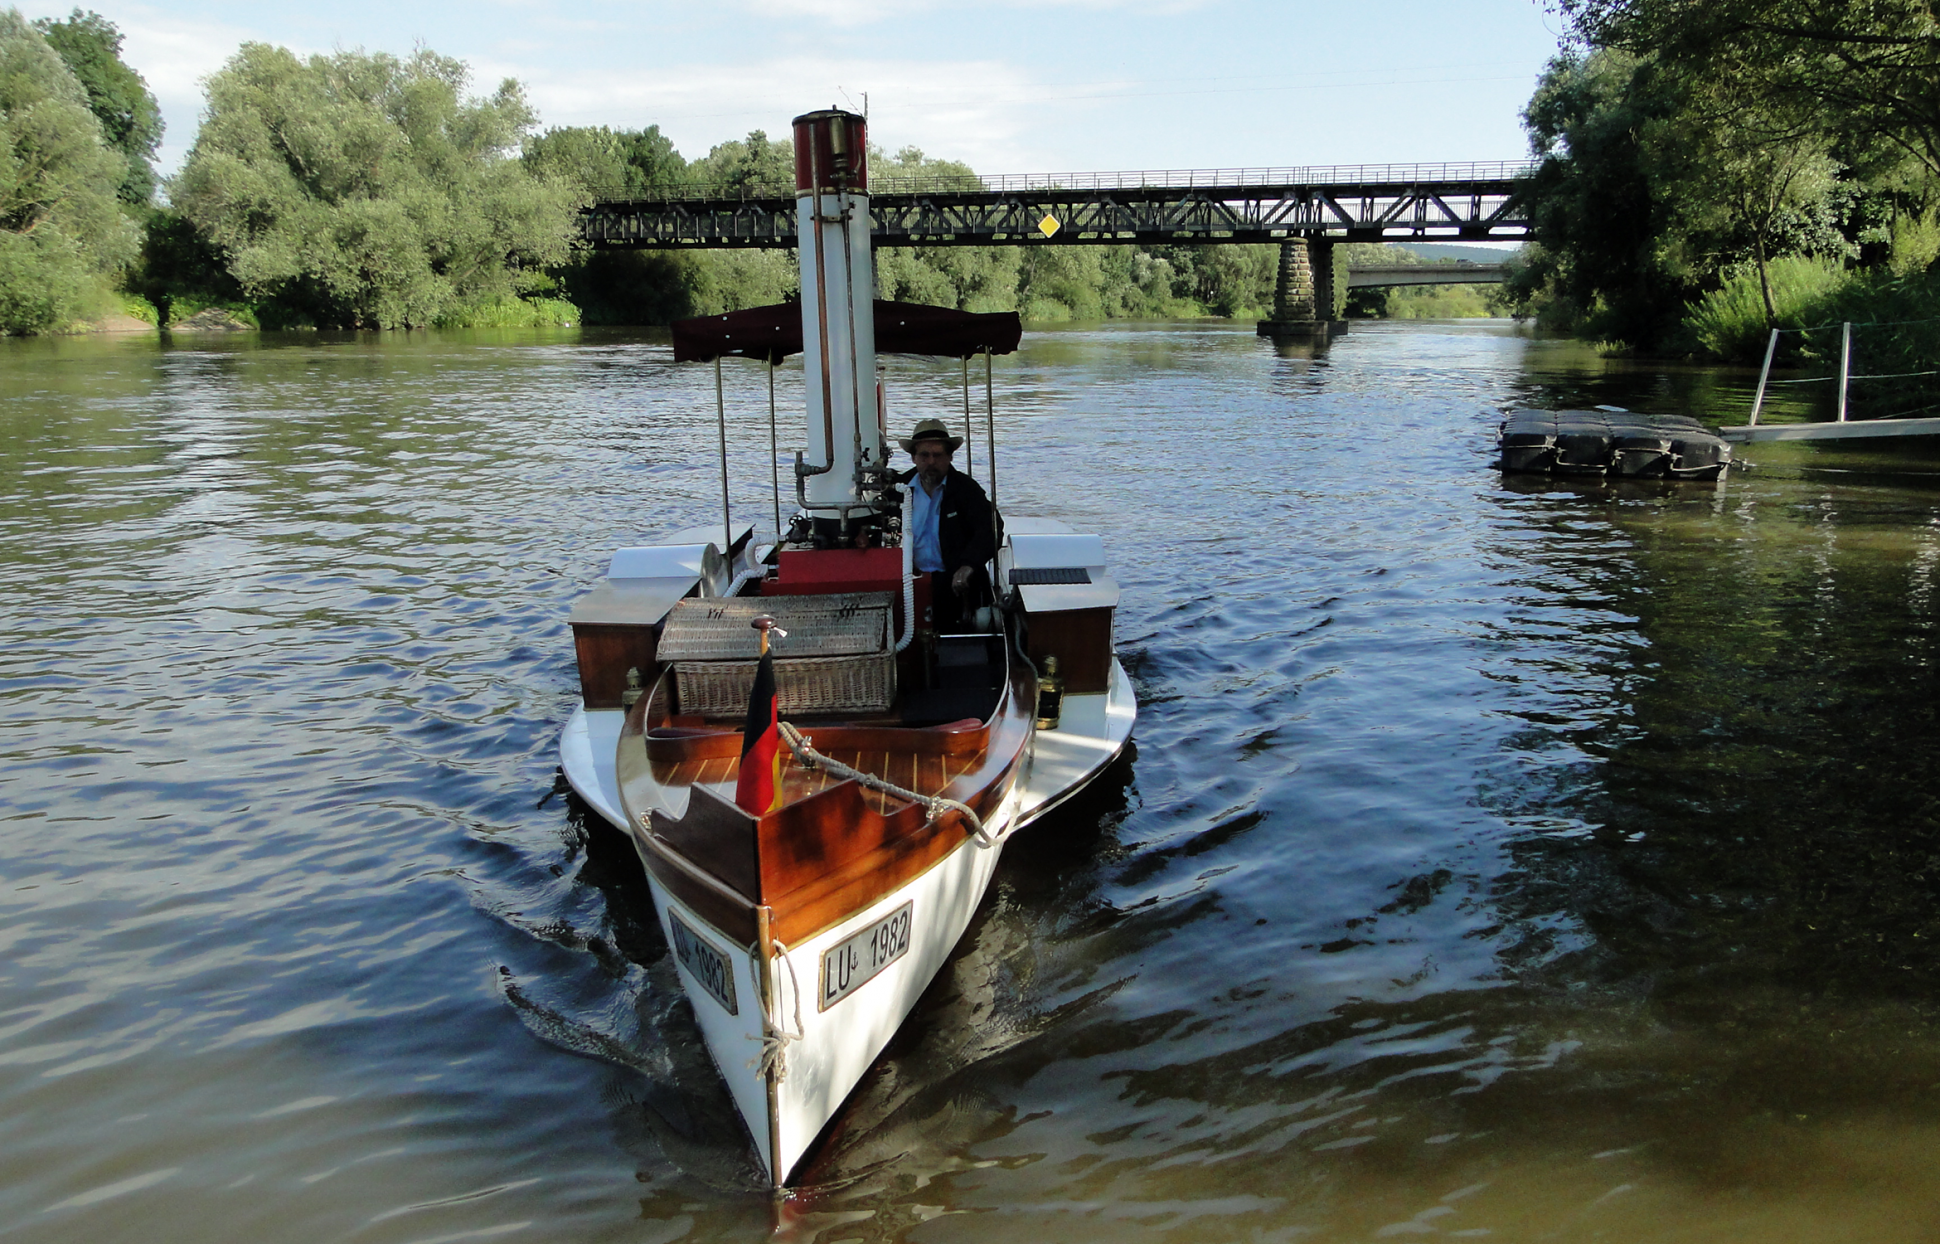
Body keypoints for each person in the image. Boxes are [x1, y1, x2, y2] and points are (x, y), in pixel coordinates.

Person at [897, 418, 1000, 629]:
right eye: (925, 455)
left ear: (950, 456)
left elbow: (991, 529)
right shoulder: (897, 489)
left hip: (953, 584)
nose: (931, 462)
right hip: (908, 583)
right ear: (913, 457)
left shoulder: (966, 490)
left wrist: (968, 566)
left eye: (938, 455)